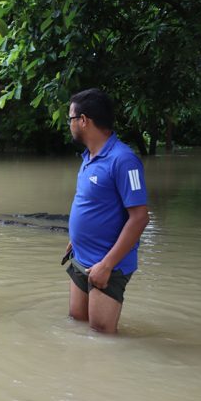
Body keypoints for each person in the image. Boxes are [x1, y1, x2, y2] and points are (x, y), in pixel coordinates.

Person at [65, 89, 150, 333]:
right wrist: (76, 238)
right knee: (76, 324)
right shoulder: (88, 156)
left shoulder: (124, 160)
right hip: (81, 257)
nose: (69, 125)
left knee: (101, 335)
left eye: (71, 119)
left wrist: (106, 265)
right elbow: (94, 203)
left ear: (83, 120)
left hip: (107, 266)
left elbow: (140, 217)